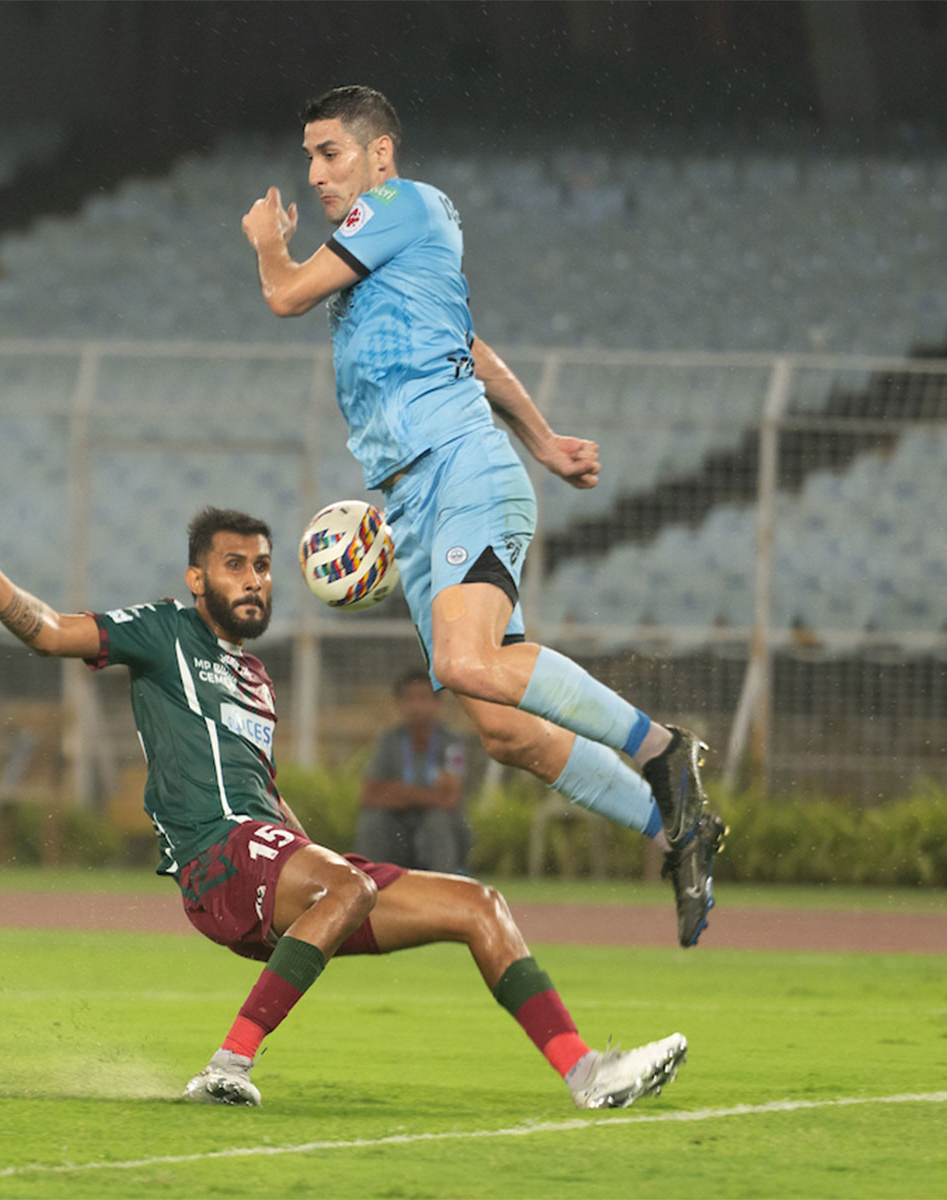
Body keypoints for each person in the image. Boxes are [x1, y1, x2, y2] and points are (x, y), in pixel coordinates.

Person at [0, 504, 688, 1109]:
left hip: (275, 857)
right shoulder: (163, 632)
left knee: (478, 906)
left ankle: (585, 1072)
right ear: (196, 579)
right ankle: (228, 1065)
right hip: (217, 859)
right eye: (235, 565)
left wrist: (324, 870)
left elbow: (267, 790)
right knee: (348, 886)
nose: (255, 579)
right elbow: (48, 632)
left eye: (263, 566)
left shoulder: (256, 679)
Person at [239, 84, 724, 947]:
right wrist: (545, 440)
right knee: (504, 731)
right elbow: (468, 348)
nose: (313, 172)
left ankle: (663, 751)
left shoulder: (401, 205)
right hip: (415, 501)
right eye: (308, 156)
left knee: (467, 659)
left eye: (329, 153)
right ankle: (678, 829)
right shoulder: (392, 260)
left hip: (460, 468)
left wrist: (268, 245)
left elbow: (284, 296)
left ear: (380, 154)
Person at [355, 668, 472, 874]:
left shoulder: (452, 743)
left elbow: (449, 799)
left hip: (436, 830)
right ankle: (372, 881)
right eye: (409, 699)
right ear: (399, 704)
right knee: (372, 821)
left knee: (437, 820)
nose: (417, 706)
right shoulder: (387, 741)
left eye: (424, 698)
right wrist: (430, 794)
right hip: (398, 827)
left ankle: (444, 884)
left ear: (437, 703)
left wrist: (397, 792)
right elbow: (369, 796)